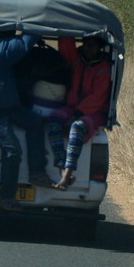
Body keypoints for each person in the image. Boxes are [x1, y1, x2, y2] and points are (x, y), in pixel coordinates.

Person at [0, 32, 54, 210]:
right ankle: (6, 197)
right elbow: (23, 44)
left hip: (4, 103)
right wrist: (39, 23)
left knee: (35, 122)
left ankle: (37, 172)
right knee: (12, 149)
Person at [47, 35, 113, 190]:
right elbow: (65, 44)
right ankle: (61, 164)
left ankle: (67, 174)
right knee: (54, 119)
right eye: (86, 44)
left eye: (93, 46)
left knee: (77, 127)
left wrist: (77, 114)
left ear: (99, 48)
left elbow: (97, 98)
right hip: (73, 107)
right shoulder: (77, 60)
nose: (89, 49)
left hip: (94, 112)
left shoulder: (104, 68)